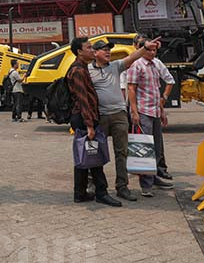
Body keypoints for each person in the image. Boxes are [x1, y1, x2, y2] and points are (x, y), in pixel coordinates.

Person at [88, 37, 159, 202]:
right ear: (94, 53)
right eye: (104, 49)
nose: (108, 52)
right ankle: (95, 184)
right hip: (100, 116)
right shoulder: (87, 70)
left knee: (122, 152)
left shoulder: (115, 66)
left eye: (109, 49)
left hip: (119, 115)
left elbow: (131, 58)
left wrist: (145, 48)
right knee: (97, 151)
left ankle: (122, 186)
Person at [66, 37, 121, 207]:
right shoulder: (79, 71)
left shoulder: (80, 67)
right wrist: (90, 125)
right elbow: (83, 100)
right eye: (88, 47)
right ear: (79, 51)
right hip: (85, 119)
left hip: (82, 118)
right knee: (94, 156)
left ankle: (80, 193)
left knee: (84, 154)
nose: (92, 50)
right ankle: (101, 192)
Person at [127, 36, 176, 197]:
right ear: (142, 50)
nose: (153, 53)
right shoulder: (136, 65)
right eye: (150, 50)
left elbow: (157, 89)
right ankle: (146, 185)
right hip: (143, 112)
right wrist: (134, 111)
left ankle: (154, 177)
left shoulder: (155, 65)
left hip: (154, 111)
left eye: (155, 50)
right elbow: (131, 89)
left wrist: (161, 110)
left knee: (156, 147)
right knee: (144, 148)